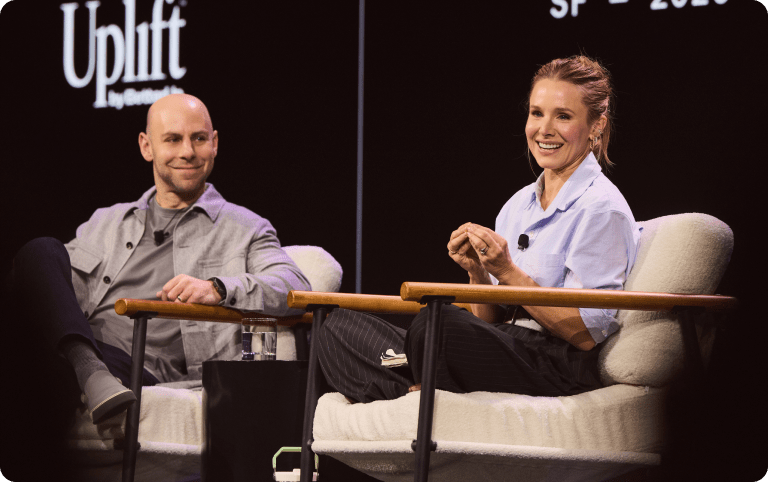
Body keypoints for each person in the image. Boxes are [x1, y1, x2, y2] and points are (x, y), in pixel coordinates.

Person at [315, 56, 641, 403]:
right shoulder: (518, 205)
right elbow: (490, 320)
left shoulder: (601, 208)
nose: (544, 129)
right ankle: (411, 391)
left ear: (597, 125)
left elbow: (587, 333)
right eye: (536, 113)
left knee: (433, 324)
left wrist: (508, 272)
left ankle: (419, 383)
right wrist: (478, 275)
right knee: (338, 328)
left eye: (563, 116)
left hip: (555, 364)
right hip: (500, 346)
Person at [6, 93, 312, 424]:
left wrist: (218, 289)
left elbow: (294, 287)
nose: (187, 152)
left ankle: (88, 372)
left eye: (198, 139)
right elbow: (44, 286)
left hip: (139, 363)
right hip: (75, 345)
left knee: (28, 369)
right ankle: (90, 370)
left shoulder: (246, 228)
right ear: (146, 146)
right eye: (173, 139)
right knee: (40, 250)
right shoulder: (105, 221)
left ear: (215, 143)